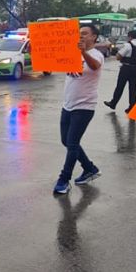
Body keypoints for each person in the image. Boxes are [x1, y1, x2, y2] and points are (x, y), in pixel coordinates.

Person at [54, 24, 105, 195]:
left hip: (84, 106)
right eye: (79, 34)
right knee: (66, 141)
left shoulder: (97, 54)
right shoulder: (72, 52)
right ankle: (90, 168)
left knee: (73, 143)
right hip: (68, 104)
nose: (81, 36)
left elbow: (95, 66)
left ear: (94, 37)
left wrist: (83, 52)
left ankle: (64, 179)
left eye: (85, 34)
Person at [104, 30, 136, 114]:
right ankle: (132, 106)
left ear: (130, 37)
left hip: (126, 68)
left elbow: (118, 57)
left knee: (120, 86)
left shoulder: (128, 45)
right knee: (133, 88)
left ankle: (113, 103)